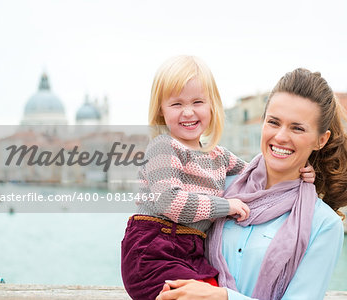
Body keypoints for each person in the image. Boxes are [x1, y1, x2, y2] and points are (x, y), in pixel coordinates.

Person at [156, 68, 347, 300]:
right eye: (273, 122)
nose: (281, 136)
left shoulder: (324, 224)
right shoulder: (220, 184)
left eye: (297, 128)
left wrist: (223, 297)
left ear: (320, 140)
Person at [121, 57, 316, 300]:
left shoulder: (217, 156)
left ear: (212, 106)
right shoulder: (163, 148)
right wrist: (226, 206)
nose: (188, 112)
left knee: (213, 291)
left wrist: (301, 170)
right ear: (161, 110)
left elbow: (260, 173)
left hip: (191, 251)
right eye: (176, 104)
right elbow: (171, 202)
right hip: (153, 249)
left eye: (198, 102)